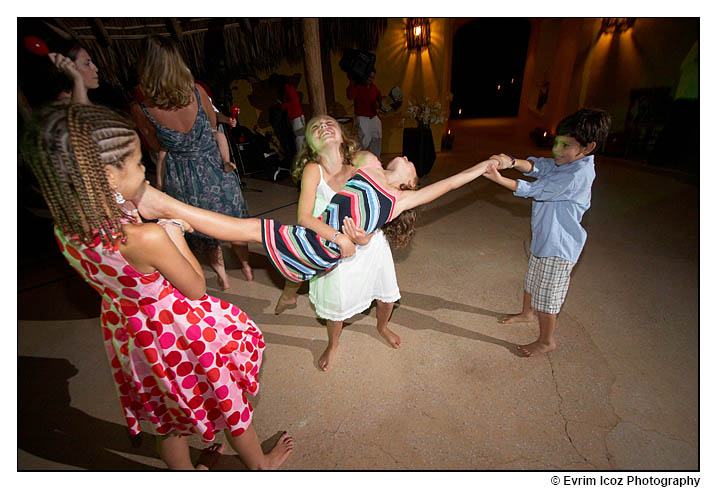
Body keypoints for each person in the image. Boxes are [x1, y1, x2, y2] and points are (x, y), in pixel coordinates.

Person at [21, 103, 294, 470]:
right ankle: (260, 465)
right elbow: (196, 287)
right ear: (107, 176)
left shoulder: (67, 229)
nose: (145, 168)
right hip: (178, 332)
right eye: (137, 163)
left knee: (170, 417)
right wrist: (174, 232)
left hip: (134, 335)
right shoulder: (145, 237)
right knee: (228, 400)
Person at [131, 132, 499, 288]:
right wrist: (325, 136)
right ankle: (167, 208)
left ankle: (163, 204)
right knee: (247, 228)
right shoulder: (367, 166)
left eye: (412, 165)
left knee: (247, 228)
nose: (406, 157)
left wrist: (484, 166)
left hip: (318, 247)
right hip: (319, 239)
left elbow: (449, 184)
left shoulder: (397, 199)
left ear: (409, 185)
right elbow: (334, 152)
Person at [273, 115, 402, 371]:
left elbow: (386, 197)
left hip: (370, 240)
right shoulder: (314, 170)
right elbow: (304, 217)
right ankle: (333, 343)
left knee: (386, 296)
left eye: (329, 123)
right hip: (334, 246)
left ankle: (382, 325)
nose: (323, 127)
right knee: (337, 306)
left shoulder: (360, 163)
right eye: (316, 127)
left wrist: (364, 236)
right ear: (310, 144)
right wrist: (339, 238)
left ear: (343, 134)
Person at [482, 108, 611, 357]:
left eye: (565, 145)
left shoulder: (576, 175)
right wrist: (512, 161)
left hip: (560, 247)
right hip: (545, 238)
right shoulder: (567, 163)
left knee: (548, 297)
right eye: (557, 142)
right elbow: (541, 167)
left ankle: (546, 340)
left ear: (588, 148)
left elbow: (537, 189)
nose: (556, 150)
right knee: (533, 279)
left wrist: (501, 180)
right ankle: (526, 313)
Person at [137, 36, 253, 290]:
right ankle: (246, 267)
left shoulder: (142, 109)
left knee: (202, 229)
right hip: (213, 168)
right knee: (235, 221)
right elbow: (212, 127)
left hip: (182, 175)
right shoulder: (197, 94)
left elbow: (156, 147)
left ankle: (222, 277)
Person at [346, 71, 382, 157]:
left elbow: (379, 98)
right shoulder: (358, 85)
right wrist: (352, 81)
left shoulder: (373, 87)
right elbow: (350, 96)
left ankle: (376, 159)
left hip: (374, 116)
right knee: (364, 141)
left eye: (372, 77)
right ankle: (360, 160)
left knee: (377, 137)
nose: (371, 79)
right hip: (362, 117)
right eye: (369, 77)